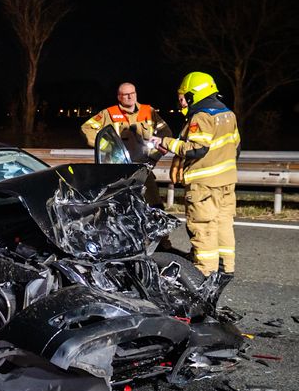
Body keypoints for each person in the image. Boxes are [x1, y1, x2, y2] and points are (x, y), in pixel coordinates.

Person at [150, 72, 240, 280]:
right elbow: (236, 147)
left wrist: (166, 142)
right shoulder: (227, 113)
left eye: (182, 97)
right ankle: (226, 267)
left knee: (203, 228)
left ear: (193, 94)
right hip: (227, 183)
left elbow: (196, 149)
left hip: (204, 186)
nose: (181, 101)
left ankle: (205, 273)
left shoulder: (201, 116)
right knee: (223, 224)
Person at [81, 83, 172, 205]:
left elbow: (166, 133)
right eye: (126, 94)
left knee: (154, 206)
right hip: (117, 170)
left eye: (132, 93)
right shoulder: (109, 113)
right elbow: (86, 129)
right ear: (119, 97)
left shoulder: (148, 111)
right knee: (119, 206)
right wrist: (109, 147)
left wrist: (154, 157)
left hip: (143, 168)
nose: (130, 97)